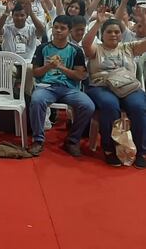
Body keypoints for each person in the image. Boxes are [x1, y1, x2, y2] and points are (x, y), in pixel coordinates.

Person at [82, 12, 146, 168]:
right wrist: (97, 22)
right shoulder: (96, 49)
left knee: (139, 107)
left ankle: (142, 151)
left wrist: (143, 19)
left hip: (128, 86)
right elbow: (85, 43)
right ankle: (109, 149)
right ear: (102, 34)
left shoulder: (129, 47)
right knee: (110, 105)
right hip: (101, 86)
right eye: (109, 31)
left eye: (117, 32)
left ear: (121, 34)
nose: (113, 34)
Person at [29, 15, 95, 157]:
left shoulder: (76, 51)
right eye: (55, 27)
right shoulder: (42, 48)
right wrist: (48, 66)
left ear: (69, 31)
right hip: (46, 87)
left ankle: (72, 140)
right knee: (36, 100)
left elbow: (80, 76)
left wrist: (61, 67)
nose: (58, 31)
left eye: (62, 28)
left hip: (69, 89)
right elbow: (35, 73)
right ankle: (38, 140)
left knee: (88, 105)